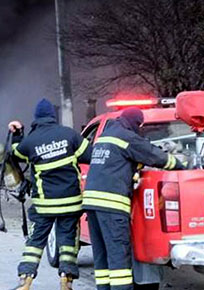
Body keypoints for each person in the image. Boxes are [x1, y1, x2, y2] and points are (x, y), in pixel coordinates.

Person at [82, 108, 183, 290]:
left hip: (92, 204)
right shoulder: (126, 137)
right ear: (135, 123)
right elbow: (154, 155)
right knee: (118, 254)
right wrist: (180, 165)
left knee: (101, 255)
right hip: (111, 205)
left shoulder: (106, 134)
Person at [8, 99, 90, 290]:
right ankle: (66, 280)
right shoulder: (69, 135)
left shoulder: (31, 140)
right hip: (71, 203)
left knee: (35, 241)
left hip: (44, 205)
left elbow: (15, 155)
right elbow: (90, 155)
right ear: (53, 117)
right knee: (68, 242)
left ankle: (25, 280)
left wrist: (18, 134)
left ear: (36, 118)